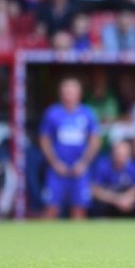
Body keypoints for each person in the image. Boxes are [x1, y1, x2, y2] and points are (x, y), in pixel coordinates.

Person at [39, 77, 101, 219]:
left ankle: (79, 241)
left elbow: (94, 140)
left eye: (72, 92)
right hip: (57, 170)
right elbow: (44, 140)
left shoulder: (87, 114)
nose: (68, 95)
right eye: (66, 92)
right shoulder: (52, 113)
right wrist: (55, 163)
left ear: (79, 94)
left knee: (79, 210)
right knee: (51, 209)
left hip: (79, 170)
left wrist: (83, 163)